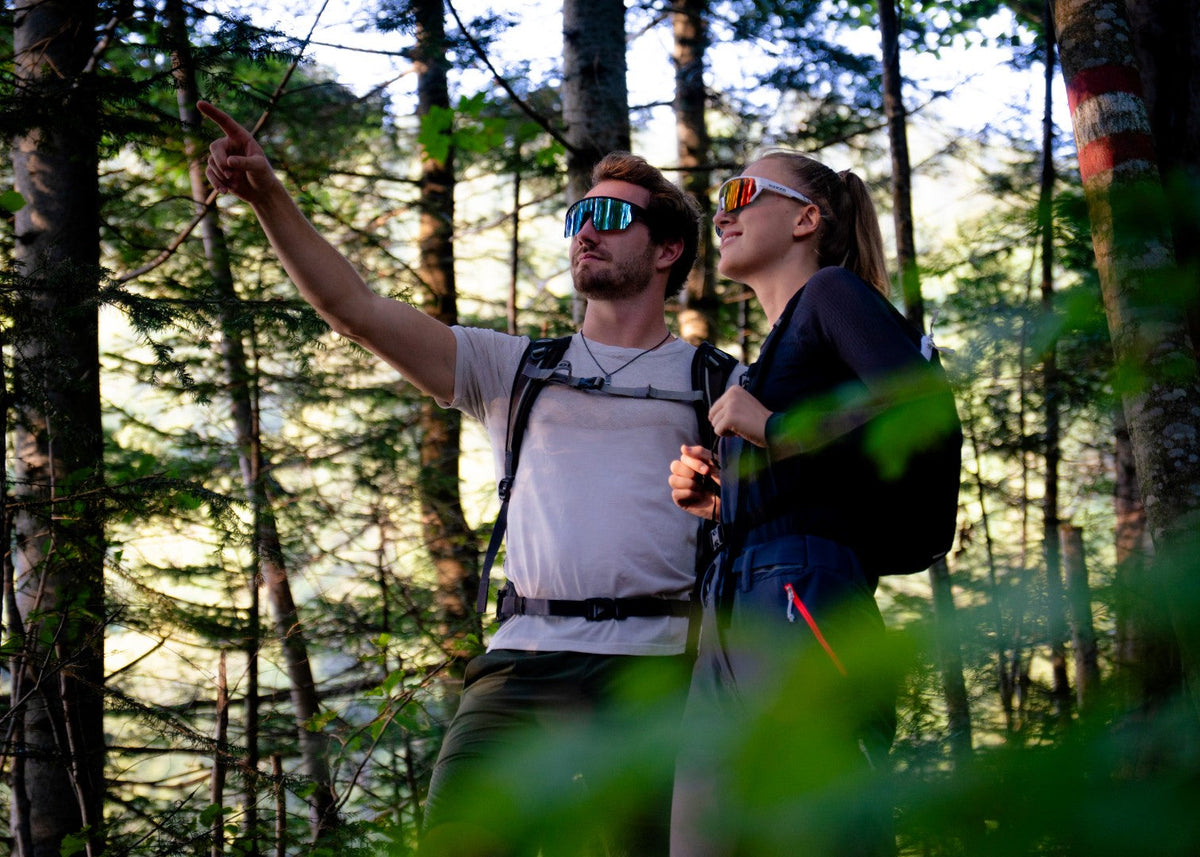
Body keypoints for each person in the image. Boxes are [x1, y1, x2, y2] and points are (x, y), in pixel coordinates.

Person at [199, 101, 731, 855]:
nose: (586, 230)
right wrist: (268, 197)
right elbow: (354, 310)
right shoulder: (513, 368)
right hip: (524, 660)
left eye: (611, 215)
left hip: (662, 672)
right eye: (579, 215)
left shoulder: (719, 383)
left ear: (669, 248)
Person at [667, 151, 953, 857]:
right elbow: (831, 471)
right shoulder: (773, 353)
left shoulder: (831, 293)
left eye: (741, 191)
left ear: (805, 219)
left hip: (803, 597)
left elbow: (922, 409)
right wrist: (722, 503)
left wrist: (774, 428)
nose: (722, 213)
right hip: (734, 607)